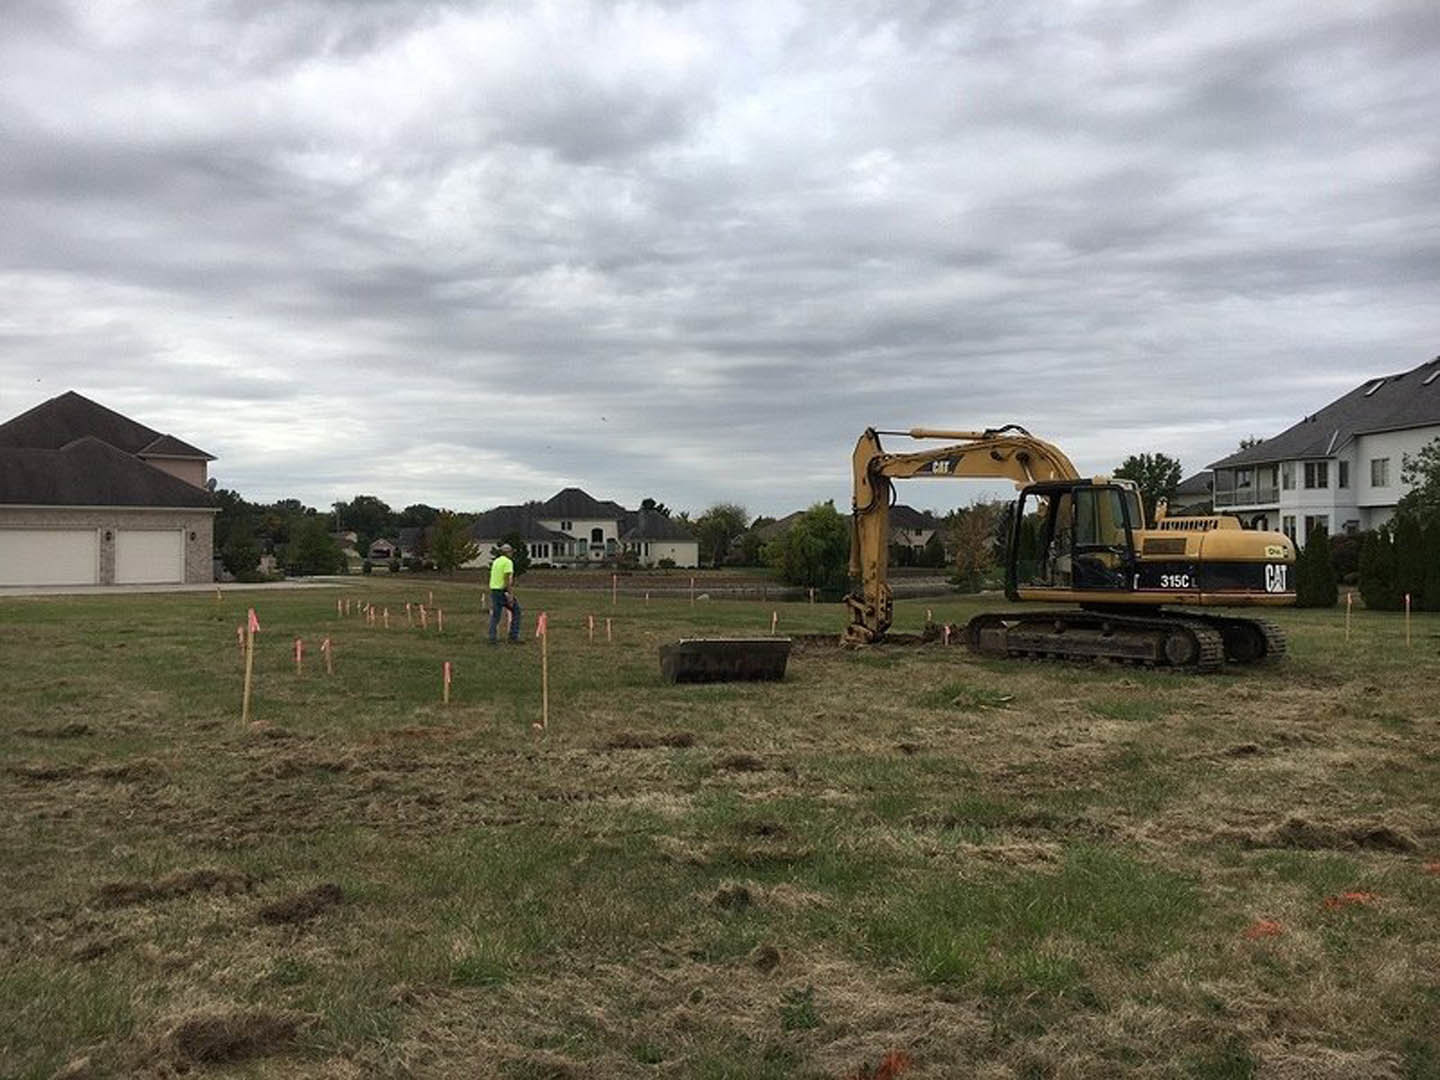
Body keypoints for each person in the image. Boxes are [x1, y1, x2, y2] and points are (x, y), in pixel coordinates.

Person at [487, 543, 523, 644]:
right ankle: (513, 636)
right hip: (503, 590)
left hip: (494, 590)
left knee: (496, 615)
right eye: (511, 551)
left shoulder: (496, 561)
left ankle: (492, 637)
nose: (512, 553)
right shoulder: (508, 562)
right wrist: (510, 594)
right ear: (507, 552)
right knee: (516, 611)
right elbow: (507, 578)